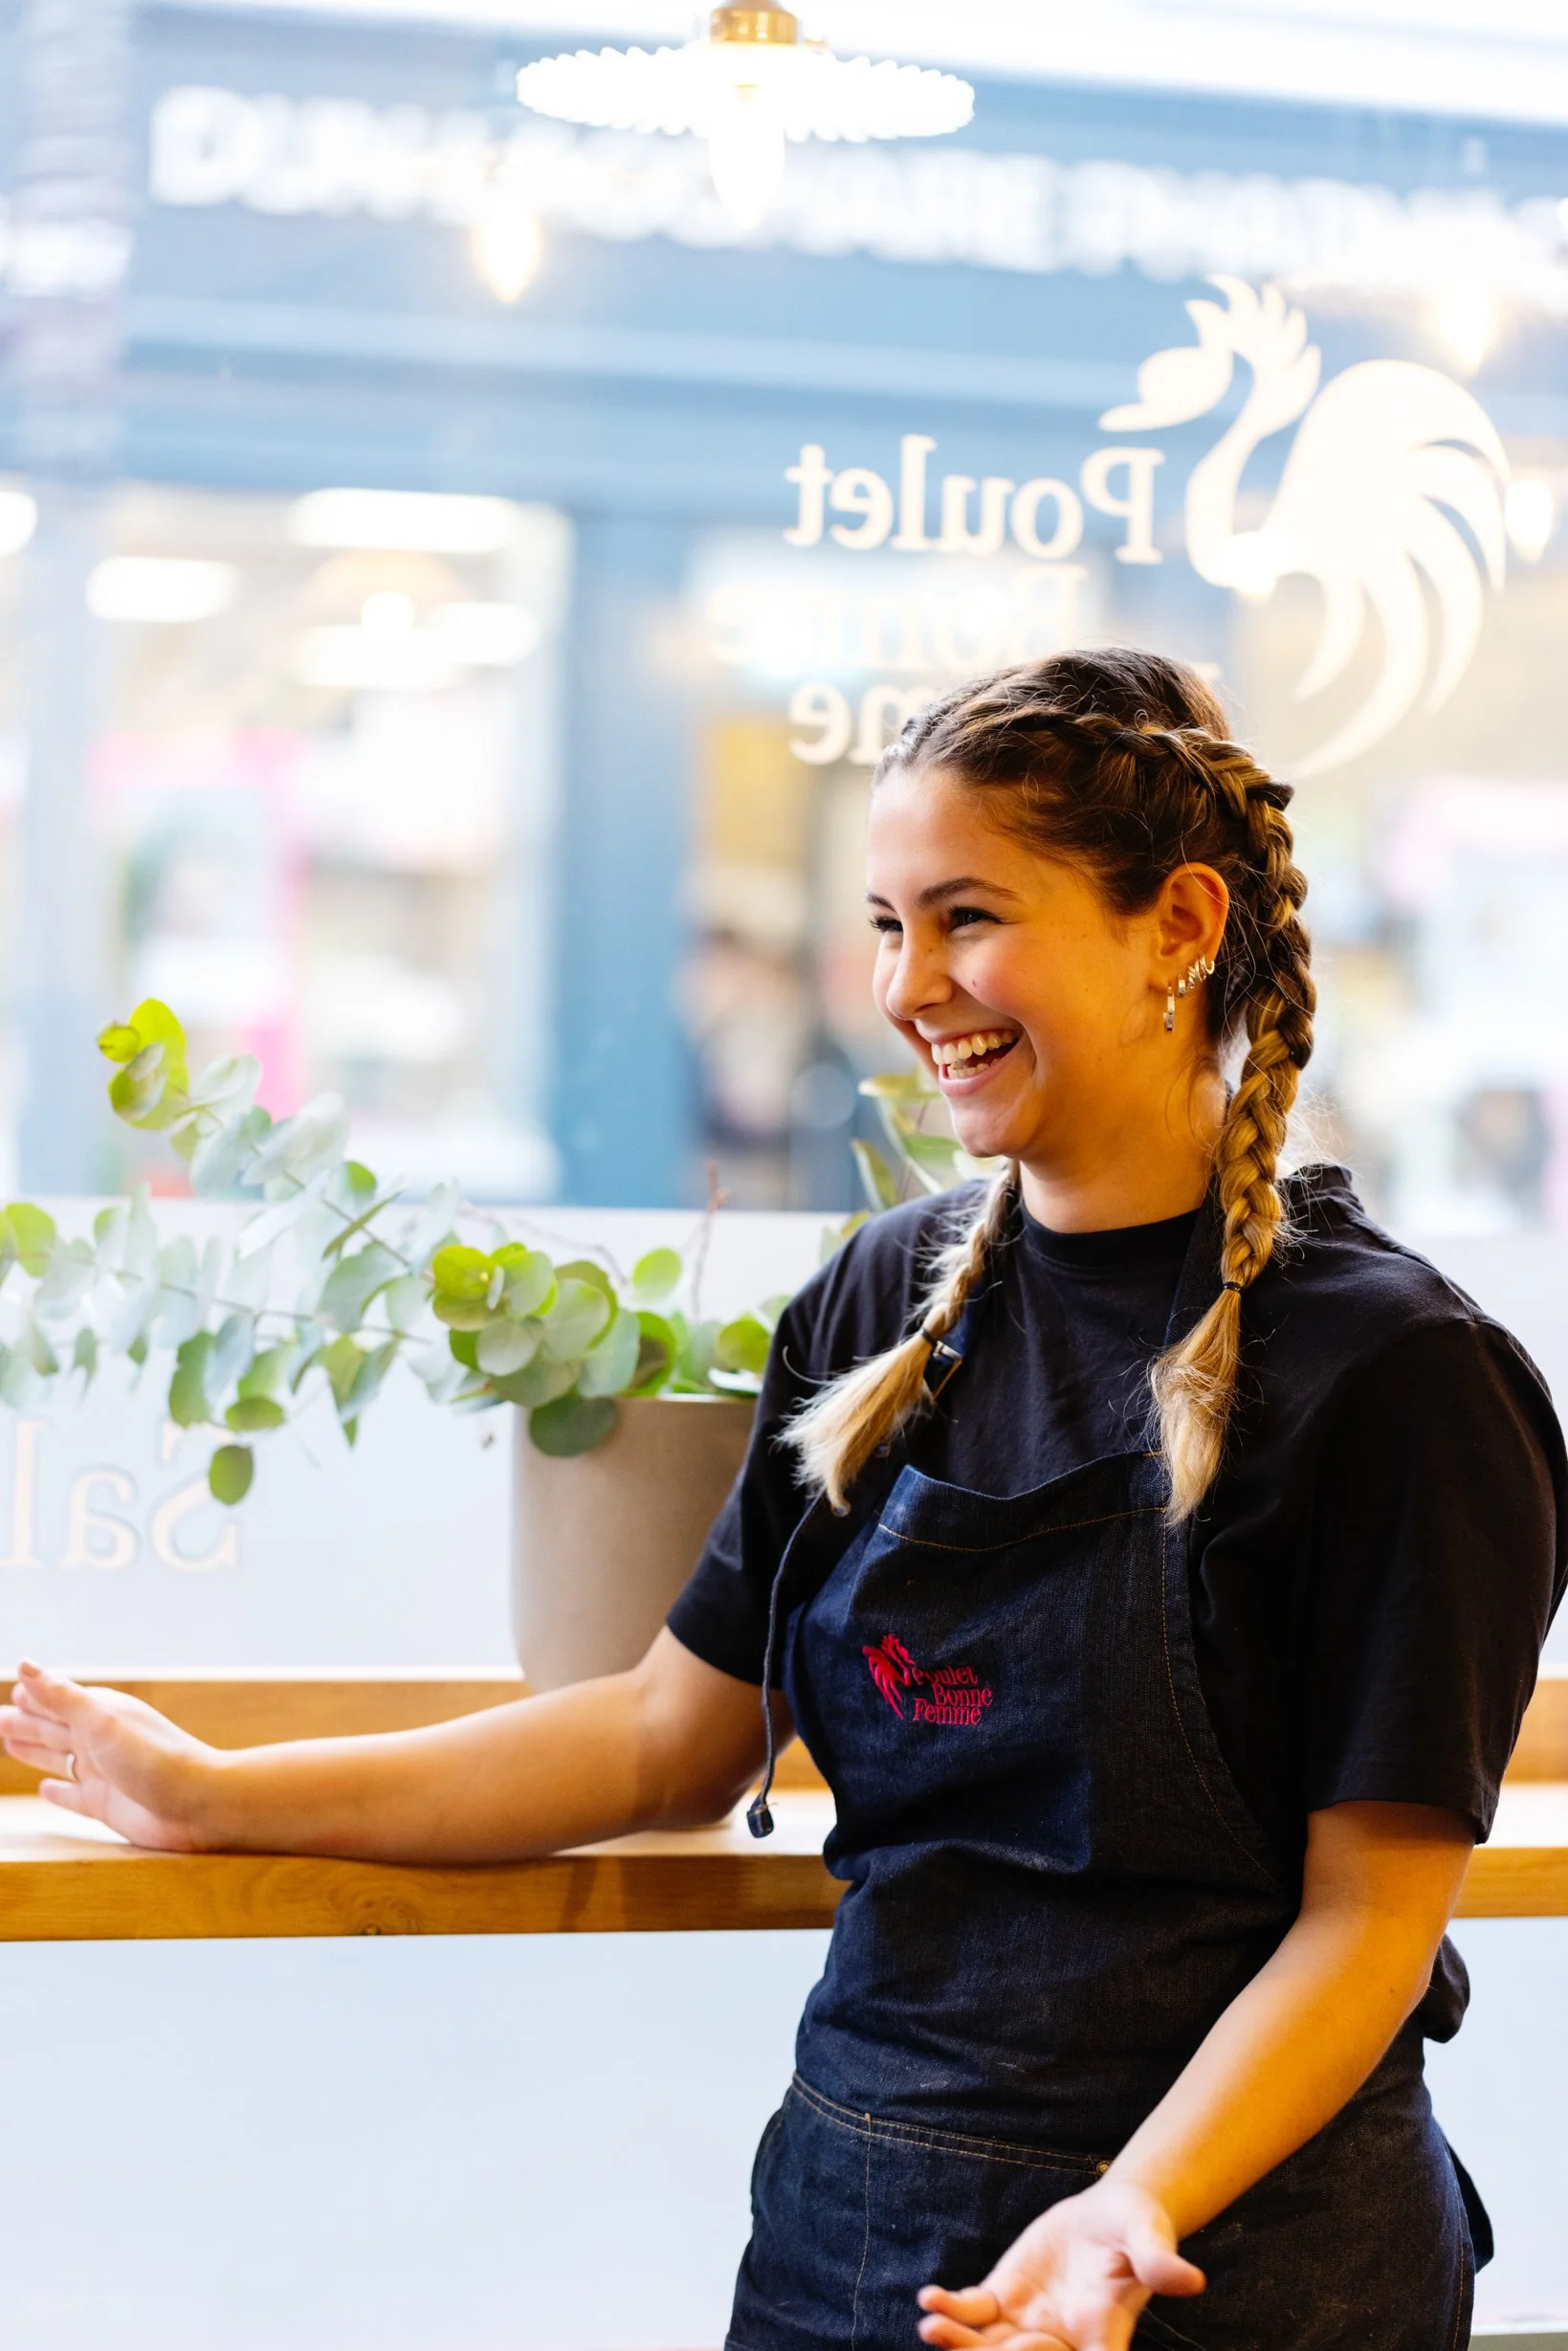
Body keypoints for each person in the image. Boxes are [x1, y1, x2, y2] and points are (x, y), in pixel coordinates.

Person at [5, 649, 1563, 2351]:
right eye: (886, 925)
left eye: (966, 915)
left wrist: (1133, 2205)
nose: (907, 987)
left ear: (1181, 927)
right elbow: (665, 1735)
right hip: (853, 2231)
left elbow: (1369, 1926)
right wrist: (216, 1792)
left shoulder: (1397, 1376)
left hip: (1230, 2265)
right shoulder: (879, 1310)